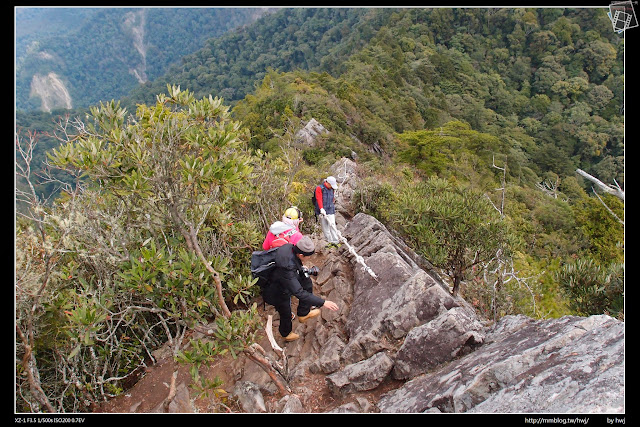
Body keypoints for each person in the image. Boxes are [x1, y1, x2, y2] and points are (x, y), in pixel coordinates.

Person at [261, 236, 339, 341]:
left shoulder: (289, 247)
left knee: (307, 283)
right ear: (301, 255)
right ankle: (286, 334)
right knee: (286, 312)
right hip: (276, 290)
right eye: (308, 257)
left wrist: (300, 268)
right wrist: (323, 302)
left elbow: (294, 263)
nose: (310, 259)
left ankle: (303, 313)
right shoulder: (287, 268)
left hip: (282, 277)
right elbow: (299, 293)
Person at [314, 176, 340, 248]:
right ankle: (329, 241)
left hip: (330, 209)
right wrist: (321, 209)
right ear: (327, 183)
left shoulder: (332, 189)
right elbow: (318, 199)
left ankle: (335, 241)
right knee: (325, 227)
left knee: (332, 225)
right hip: (322, 211)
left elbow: (332, 198)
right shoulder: (320, 188)